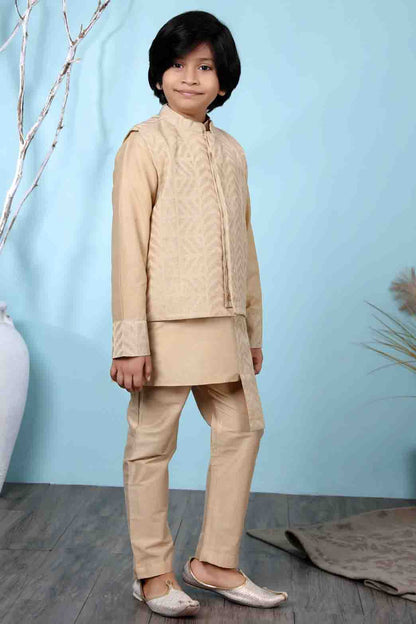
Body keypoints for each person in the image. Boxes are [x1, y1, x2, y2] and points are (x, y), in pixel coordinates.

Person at [109, 9, 288, 618]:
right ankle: (152, 574)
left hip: (226, 326)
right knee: (151, 446)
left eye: (205, 66)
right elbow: (128, 246)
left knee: (243, 429)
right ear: (159, 74)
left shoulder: (232, 152)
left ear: (223, 79)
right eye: (178, 64)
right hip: (163, 330)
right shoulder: (144, 143)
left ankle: (214, 562)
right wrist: (130, 340)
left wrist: (252, 329)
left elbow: (246, 245)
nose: (190, 77)